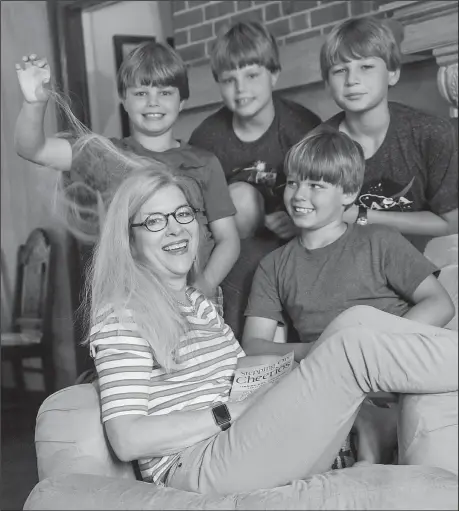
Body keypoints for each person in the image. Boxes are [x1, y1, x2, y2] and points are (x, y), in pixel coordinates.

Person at [86, 160, 457, 498]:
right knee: (350, 347)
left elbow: (240, 372)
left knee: (351, 322)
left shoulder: (197, 303)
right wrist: (230, 412)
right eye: (154, 221)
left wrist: (285, 380)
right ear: (129, 240)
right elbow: (126, 438)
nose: (176, 229)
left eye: (182, 214)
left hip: (245, 438)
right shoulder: (123, 315)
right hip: (197, 463)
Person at [14, 41, 240, 304]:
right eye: (141, 93)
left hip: (197, 299)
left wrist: (203, 287)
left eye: (165, 93)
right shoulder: (103, 154)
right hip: (130, 303)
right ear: (124, 99)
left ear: (182, 102)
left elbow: (228, 239)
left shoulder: (205, 162)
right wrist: (34, 103)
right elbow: (33, 149)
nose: (153, 102)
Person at [243, 125, 455, 360]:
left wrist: (374, 347)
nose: (299, 195)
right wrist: (319, 350)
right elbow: (253, 345)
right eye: (293, 183)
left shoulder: (380, 240)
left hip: (401, 355)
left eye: (315, 185)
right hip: (331, 371)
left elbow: (439, 304)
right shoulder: (273, 266)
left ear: (349, 193)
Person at [189, 21, 321, 338]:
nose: (241, 89)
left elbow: (327, 194)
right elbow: (196, 216)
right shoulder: (206, 139)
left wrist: (300, 221)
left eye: (251, 75)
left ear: (273, 74)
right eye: (229, 80)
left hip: (297, 242)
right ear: (218, 84)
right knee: (241, 198)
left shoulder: (303, 126)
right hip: (234, 246)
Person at [319, 16, 458, 253]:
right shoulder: (317, 147)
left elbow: (452, 224)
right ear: (327, 84)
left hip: (429, 262)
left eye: (366, 67)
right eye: (340, 70)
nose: (352, 80)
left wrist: (362, 215)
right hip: (354, 267)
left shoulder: (431, 134)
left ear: (393, 73)